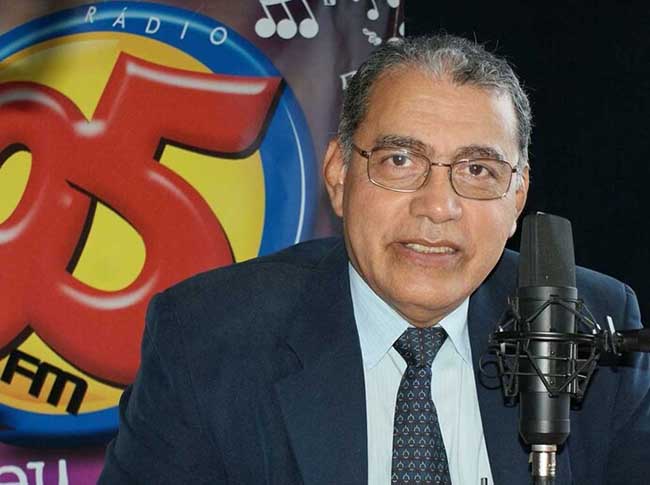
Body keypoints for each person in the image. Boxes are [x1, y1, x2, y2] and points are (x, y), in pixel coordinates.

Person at [99, 34, 650, 484]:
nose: (438, 207)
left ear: (518, 196)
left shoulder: (592, 325)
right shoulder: (208, 339)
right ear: (339, 175)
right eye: (400, 160)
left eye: (478, 170)